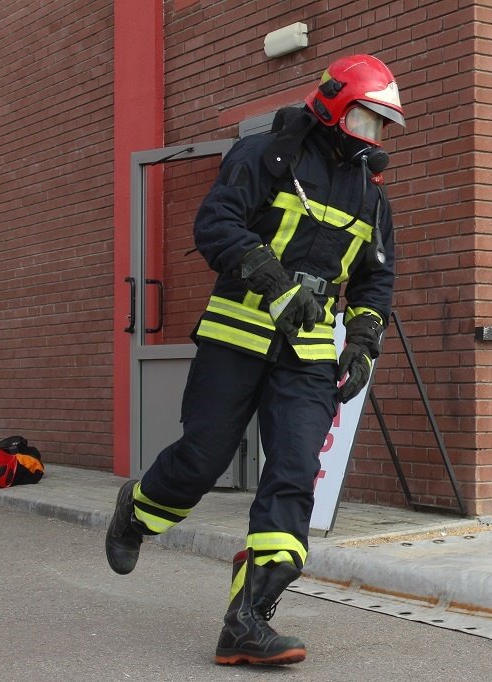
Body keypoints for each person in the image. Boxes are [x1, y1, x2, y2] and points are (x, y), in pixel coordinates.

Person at [105, 54, 404, 666]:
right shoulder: (267, 155)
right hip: (237, 334)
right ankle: (137, 512)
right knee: (203, 458)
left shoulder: (371, 195)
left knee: (293, 475)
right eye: (368, 120)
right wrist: (275, 282)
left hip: (311, 355)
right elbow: (216, 225)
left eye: (383, 127)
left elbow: (375, 280)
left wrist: (364, 342)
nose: (375, 137)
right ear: (336, 105)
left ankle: (247, 620)